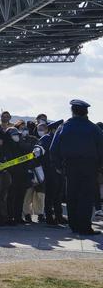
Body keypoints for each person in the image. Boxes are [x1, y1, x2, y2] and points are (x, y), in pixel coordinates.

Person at [50, 100, 103, 236]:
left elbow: (53, 149)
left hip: (69, 166)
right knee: (86, 196)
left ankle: (74, 226)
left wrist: (58, 166)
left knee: (72, 195)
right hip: (89, 166)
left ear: (72, 111)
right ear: (86, 112)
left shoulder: (64, 127)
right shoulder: (93, 128)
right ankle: (84, 226)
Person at [40, 120, 66, 226]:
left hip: (60, 170)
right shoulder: (46, 138)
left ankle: (59, 216)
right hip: (50, 170)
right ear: (54, 129)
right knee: (51, 195)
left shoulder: (60, 138)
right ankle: (49, 218)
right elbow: (41, 156)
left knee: (59, 194)